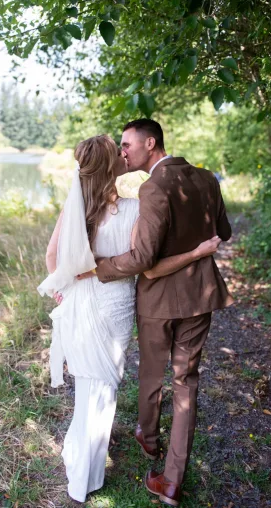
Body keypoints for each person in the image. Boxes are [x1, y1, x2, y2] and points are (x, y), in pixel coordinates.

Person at [38, 134, 224, 504]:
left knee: (90, 386)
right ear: (114, 167)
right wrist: (197, 251)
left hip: (85, 302)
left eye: (126, 146)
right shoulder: (134, 208)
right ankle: (90, 474)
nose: (125, 154)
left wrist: (65, 288)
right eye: (119, 151)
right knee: (105, 387)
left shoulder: (78, 206)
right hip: (116, 304)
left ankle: (87, 454)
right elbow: (148, 267)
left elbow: (52, 257)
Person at [95, 119, 233, 507]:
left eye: (126, 144)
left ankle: (149, 438)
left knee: (153, 373)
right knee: (186, 382)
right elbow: (224, 230)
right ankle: (172, 481)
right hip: (199, 296)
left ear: (150, 143)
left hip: (158, 301)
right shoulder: (207, 179)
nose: (122, 151)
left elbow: (143, 258)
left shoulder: (153, 187)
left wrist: (97, 267)